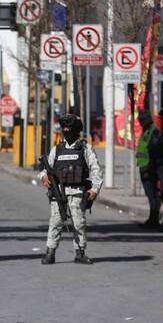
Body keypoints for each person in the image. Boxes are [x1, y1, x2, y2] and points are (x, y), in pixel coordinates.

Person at [37, 113, 103, 265]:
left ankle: (80, 253)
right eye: (63, 127)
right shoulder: (57, 149)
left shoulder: (85, 148)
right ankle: (50, 253)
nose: (66, 130)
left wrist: (95, 189)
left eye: (68, 127)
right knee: (55, 223)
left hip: (77, 193)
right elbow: (45, 169)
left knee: (79, 224)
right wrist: (43, 176)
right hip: (58, 192)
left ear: (76, 129)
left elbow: (96, 170)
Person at [136, 110, 162, 229]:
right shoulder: (145, 130)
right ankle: (153, 218)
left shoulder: (153, 131)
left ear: (149, 119)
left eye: (143, 119)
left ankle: (154, 218)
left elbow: (155, 150)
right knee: (149, 194)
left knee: (153, 195)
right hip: (144, 166)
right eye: (140, 119)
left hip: (150, 168)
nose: (141, 122)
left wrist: (151, 167)